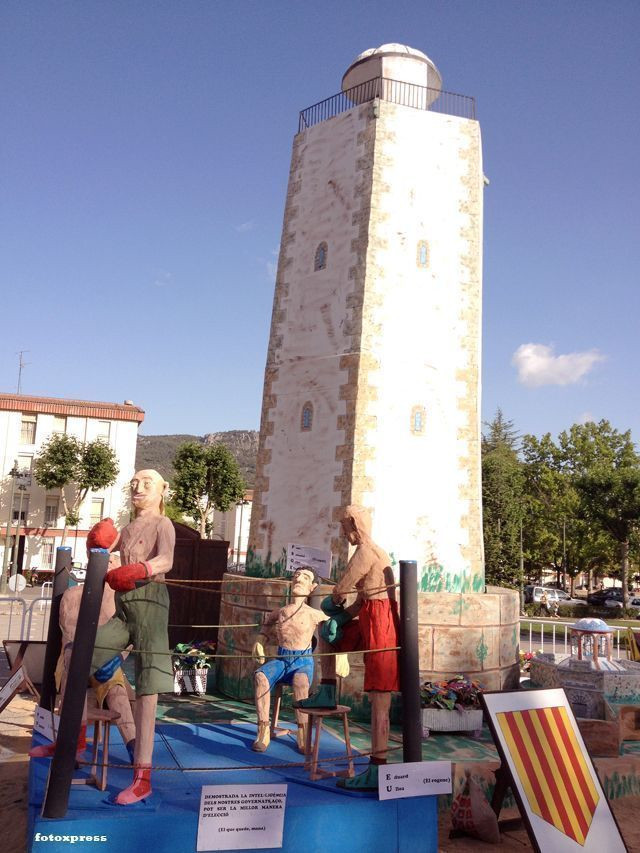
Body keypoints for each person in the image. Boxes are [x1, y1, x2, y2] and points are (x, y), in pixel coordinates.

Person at [295, 505, 399, 790]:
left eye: (344, 528)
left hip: (380, 623)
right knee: (329, 632)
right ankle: (327, 689)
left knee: (380, 697)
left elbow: (342, 591)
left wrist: (333, 606)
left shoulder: (366, 552)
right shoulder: (376, 553)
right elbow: (363, 600)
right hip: (369, 615)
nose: (344, 534)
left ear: (354, 525)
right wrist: (340, 618)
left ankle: (377, 769)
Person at [90, 468, 175, 805]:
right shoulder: (128, 528)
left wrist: (141, 569)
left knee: (149, 688)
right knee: (82, 654)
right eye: (134, 483)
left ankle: (143, 776)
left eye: (147, 483)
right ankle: (74, 738)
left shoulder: (162, 524)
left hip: (152, 607)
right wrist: (98, 544)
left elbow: (166, 559)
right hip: (124, 611)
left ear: (162, 490)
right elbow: (106, 555)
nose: (138, 487)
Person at [29, 553, 136, 761]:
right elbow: (69, 637)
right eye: (107, 560)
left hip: (107, 663)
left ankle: (134, 748)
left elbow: (132, 636)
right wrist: (76, 661)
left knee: (118, 694)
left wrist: (119, 658)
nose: (110, 564)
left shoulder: (122, 602)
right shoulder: (73, 595)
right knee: (72, 675)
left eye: (115, 561)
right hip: (74, 660)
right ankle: (74, 745)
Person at [251, 567, 328, 753]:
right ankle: (263, 729)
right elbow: (267, 623)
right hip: (282, 659)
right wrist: (260, 640)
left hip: (302, 662)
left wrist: (342, 654)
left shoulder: (313, 614)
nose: (299, 578)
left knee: (301, 682)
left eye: (305, 577)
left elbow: (331, 629)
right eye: (297, 575)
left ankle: (302, 733)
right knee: (260, 676)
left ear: (312, 586)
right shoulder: (281, 612)